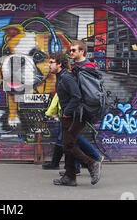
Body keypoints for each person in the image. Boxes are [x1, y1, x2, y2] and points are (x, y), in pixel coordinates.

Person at [48, 52, 102, 186]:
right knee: (68, 146)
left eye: (51, 62)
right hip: (69, 115)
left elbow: (76, 96)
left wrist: (66, 112)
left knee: (68, 146)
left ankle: (92, 164)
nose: (49, 65)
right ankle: (70, 177)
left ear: (59, 64)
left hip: (74, 116)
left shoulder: (66, 78)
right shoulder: (61, 77)